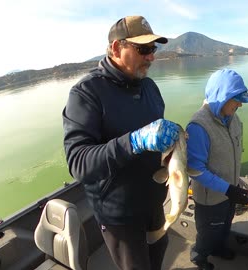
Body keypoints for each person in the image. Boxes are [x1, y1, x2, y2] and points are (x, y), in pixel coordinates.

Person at [62, 15, 180, 270]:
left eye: (153, 48)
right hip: (120, 215)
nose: (152, 56)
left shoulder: (149, 87)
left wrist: (172, 149)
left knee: (159, 250)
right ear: (117, 48)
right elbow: (78, 162)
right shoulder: (85, 93)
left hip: (154, 202)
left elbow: (156, 142)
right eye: (143, 49)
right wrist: (135, 141)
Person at [186, 69, 248, 270]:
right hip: (210, 199)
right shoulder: (198, 126)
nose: (240, 104)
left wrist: (236, 186)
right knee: (208, 232)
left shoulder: (235, 119)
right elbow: (194, 168)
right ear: (221, 96)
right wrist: (227, 189)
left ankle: (218, 249)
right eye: (236, 99)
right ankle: (199, 258)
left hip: (230, 191)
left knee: (225, 225)